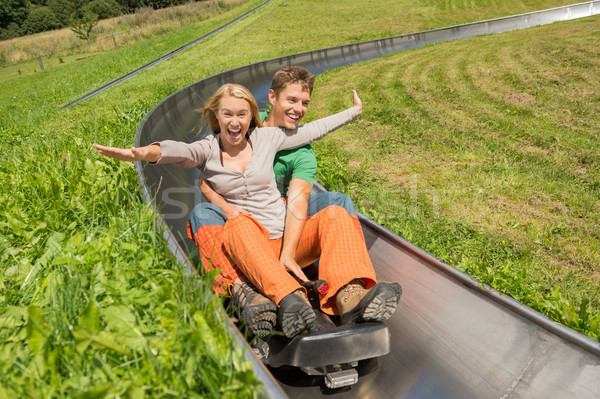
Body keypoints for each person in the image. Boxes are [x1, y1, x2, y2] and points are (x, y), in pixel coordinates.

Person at [94, 83, 401, 339]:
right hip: (250, 245)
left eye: (242, 114)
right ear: (217, 115)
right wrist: (143, 153)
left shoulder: (266, 138)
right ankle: (290, 300)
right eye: (227, 113)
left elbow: (311, 131)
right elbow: (178, 151)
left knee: (334, 212)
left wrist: (353, 112)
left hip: (287, 239)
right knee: (236, 222)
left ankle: (350, 297)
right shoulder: (207, 149)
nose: (235, 121)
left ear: (250, 117)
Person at [187, 67, 360, 336]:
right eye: (291, 100)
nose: (298, 109)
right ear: (272, 98)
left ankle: (347, 288)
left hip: (281, 224)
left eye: (304, 103)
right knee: (202, 213)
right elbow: (205, 180)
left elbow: (298, 200)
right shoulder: (244, 125)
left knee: (337, 202)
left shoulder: (303, 153)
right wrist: (224, 204)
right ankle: (241, 290)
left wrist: (288, 253)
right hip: (244, 228)